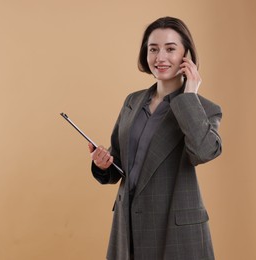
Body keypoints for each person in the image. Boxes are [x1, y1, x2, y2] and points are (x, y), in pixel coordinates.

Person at [88, 17, 222, 260]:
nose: (160, 57)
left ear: (187, 55)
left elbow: (203, 152)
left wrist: (189, 95)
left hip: (176, 231)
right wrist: (102, 164)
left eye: (170, 49)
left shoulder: (205, 109)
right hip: (128, 225)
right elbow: (118, 163)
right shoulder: (132, 102)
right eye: (153, 49)